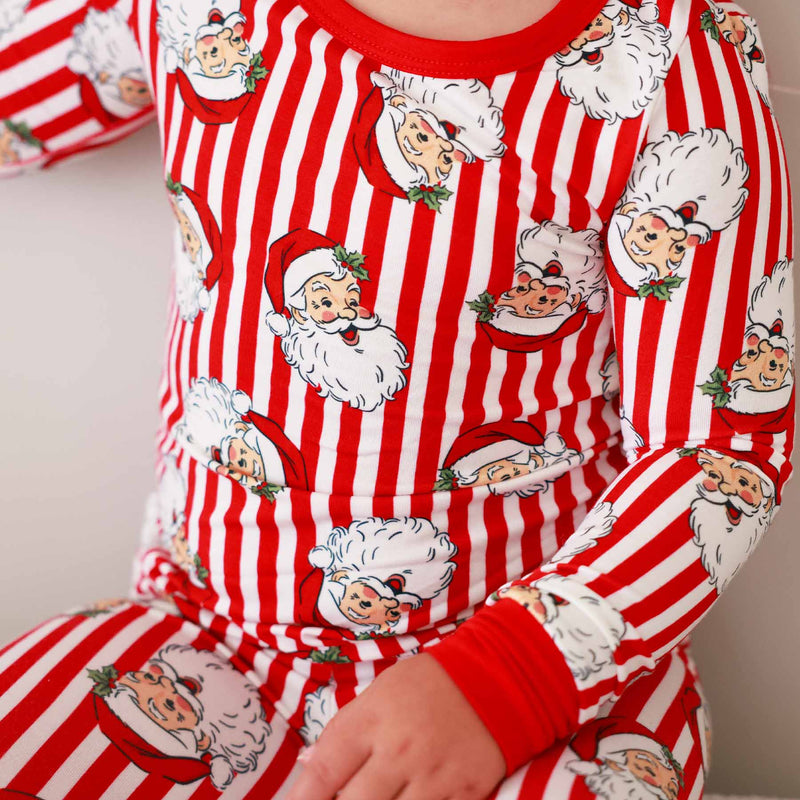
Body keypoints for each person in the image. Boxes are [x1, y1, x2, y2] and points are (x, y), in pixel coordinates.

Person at [0, 0, 791, 797]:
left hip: (539, 674)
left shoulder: (670, 57)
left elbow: (722, 445)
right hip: (198, 643)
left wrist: (510, 679)